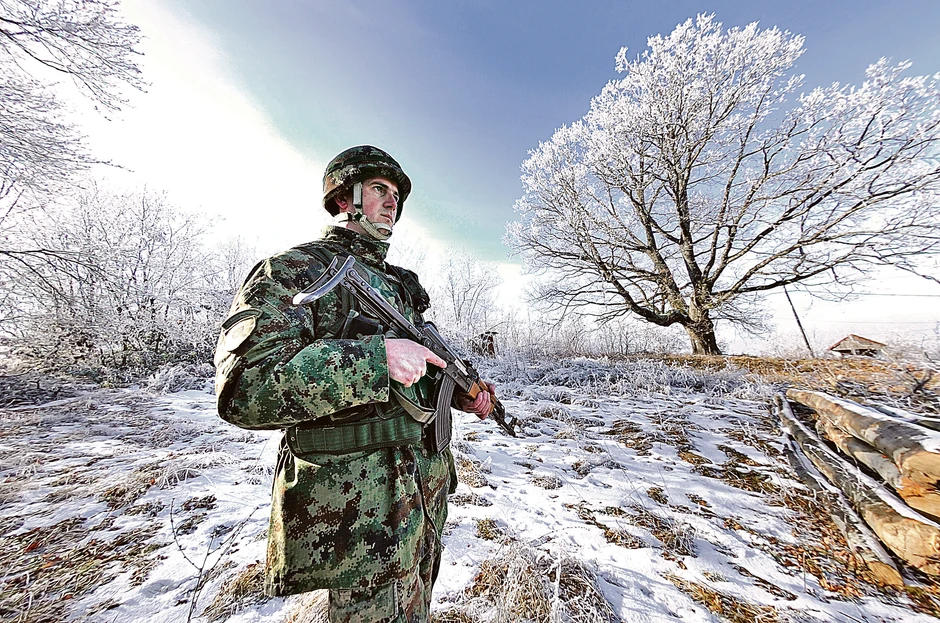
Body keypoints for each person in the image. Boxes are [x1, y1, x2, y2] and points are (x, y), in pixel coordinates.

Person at [213, 145, 494, 622]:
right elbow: (245, 388)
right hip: (360, 515)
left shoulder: (399, 286)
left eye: (397, 195)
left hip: (421, 500)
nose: (392, 202)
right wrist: (375, 360)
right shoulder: (297, 270)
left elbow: (412, 376)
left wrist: (458, 394)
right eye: (379, 189)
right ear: (345, 198)